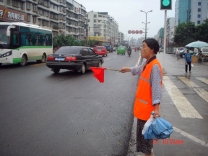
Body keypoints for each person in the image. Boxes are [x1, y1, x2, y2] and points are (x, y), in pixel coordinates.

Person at [120, 38, 163, 156]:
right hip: (143, 111)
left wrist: (157, 109)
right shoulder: (147, 62)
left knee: (147, 147)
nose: (141, 49)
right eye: (142, 46)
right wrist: (128, 69)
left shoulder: (154, 66)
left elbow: (156, 89)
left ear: (152, 49)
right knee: (145, 146)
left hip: (148, 113)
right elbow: (139, 69)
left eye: (144, 47)